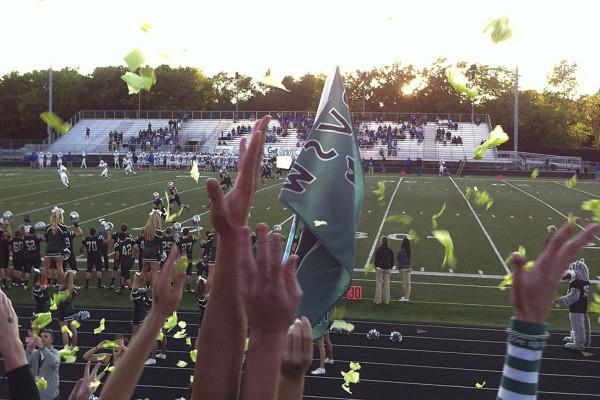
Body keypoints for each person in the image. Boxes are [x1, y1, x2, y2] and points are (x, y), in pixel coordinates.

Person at [554, 259, 591, 350]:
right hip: (582, 306)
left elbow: (573, 297)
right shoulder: (585, 282)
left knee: (577, 325)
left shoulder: (576, 284)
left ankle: (579, 344)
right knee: (581, 325)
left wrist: (560, 301)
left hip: (577, 308)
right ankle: (582, 339)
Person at [26, 329, 60, 400]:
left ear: (51, 341)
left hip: (51, 397)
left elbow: (52, 362)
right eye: (41, 336)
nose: (42, 338)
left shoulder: (56, 353)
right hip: (36, 394)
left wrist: (42, 348)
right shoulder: (35, 353)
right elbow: (26, 364)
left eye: (45, 336)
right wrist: (28, 351)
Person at [43, 208, 68, 285]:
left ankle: (44, 284)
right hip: (58, 250)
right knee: (59, 268)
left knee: (46, 268)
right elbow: (63, 239)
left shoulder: (47, 227)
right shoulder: (63, 227)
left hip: (49, 249)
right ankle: (62, 283)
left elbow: (46, 239)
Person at [57, 270, 78, 348]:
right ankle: (73, 346)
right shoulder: (74, 288)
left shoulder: (62, 289)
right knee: (73, 329)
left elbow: (58, 302)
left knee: (64, 331)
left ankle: (66, 348)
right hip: (71, 310)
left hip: (63, 311)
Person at [141, 210, 163, 286]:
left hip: (145, 252)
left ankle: (140, 288)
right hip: (153, 253)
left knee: (143, 271)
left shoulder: (145, 229)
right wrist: (162, 253)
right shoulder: (158, 232)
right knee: (154, 273)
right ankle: (154, 291)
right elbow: (160, 245)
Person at [113, 226, 138, 292]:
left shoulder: (117, 244)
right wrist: (133, 256)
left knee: (127, 277)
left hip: (125, 262)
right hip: (130, 260)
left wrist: (116, 262)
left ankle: (132, 292)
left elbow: (117, 256)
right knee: (123, 274)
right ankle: (121, 287)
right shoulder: (129, 241)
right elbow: (136, 247)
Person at [373, 237, 394, 305]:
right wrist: (390, 267)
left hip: (380, 268)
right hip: (387, 268)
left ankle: (378, 300)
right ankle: (386, 300)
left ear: (382, 242)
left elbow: (376, 259)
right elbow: (392, 260)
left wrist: (376, 267)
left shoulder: (378, 250)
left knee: (379, 284)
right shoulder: (390, 250)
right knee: (387, 284)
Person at [176, 227, 197, 292]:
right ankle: (188, 288)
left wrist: (177, 258)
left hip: (182, 257)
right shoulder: (191, 238)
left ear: (183, 233)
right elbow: (199, 236)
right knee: (189, 272)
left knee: (180, 272)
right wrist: (196, 227)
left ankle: (179, 287)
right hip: (189, 256)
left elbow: (178, 250)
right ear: (188, 233)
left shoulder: (179, 240)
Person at [397, 237, 412, 302]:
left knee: (404, 282)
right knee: (408, 283)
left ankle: (405, 297)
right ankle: (407, 296)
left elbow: (398, 258)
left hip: (402, 268)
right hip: (408, 267)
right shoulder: (409, 251)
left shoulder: (401, 251)